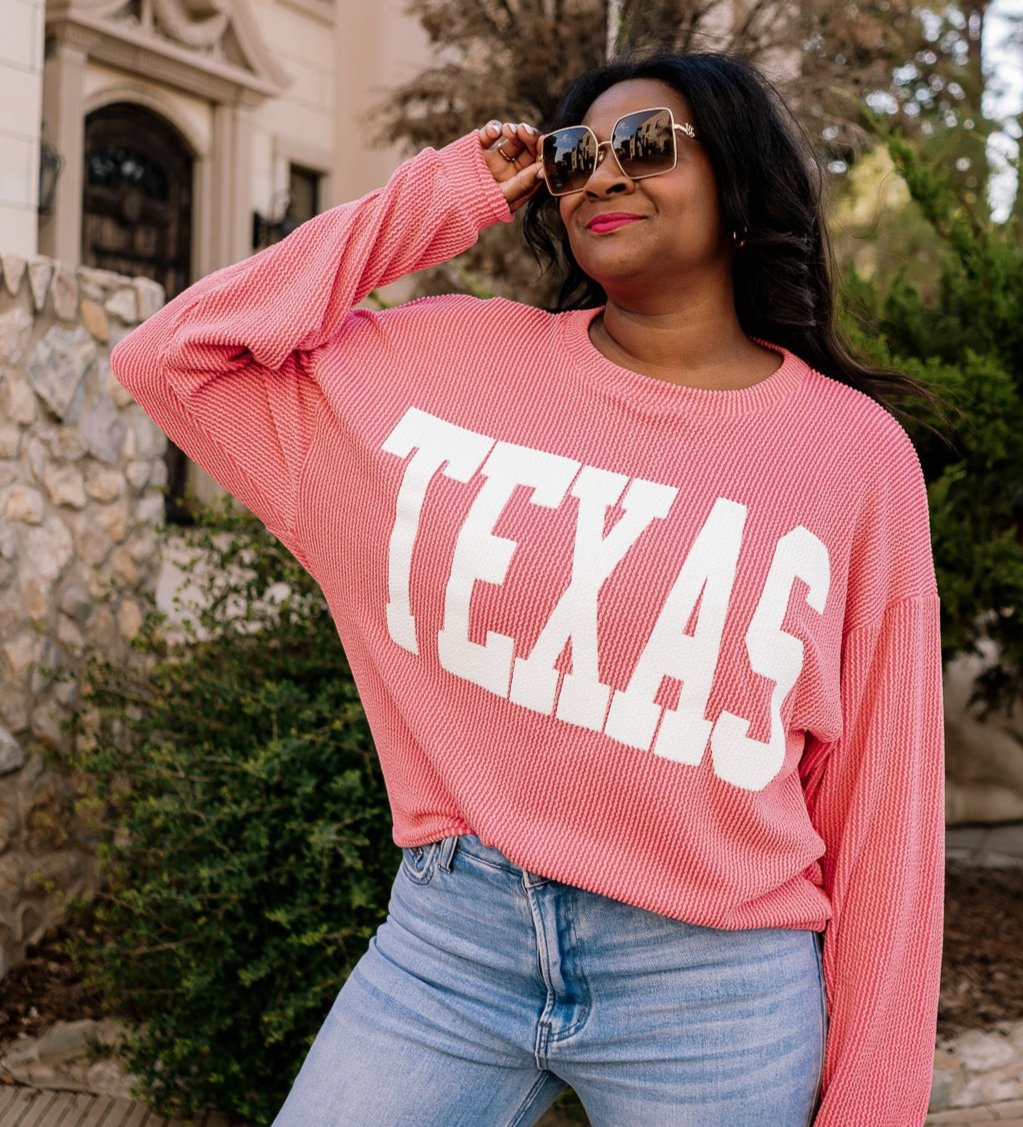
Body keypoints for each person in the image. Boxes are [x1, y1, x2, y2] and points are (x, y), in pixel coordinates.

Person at [111, 50, 944, 1127]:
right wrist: (443, 194)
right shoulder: (449, 364)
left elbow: (884, 810)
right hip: (450, 946)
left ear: (738, 180)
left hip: (714, 983)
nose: (602, 174)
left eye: (644, 144)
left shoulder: (850, 456)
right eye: (572, 155)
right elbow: (175, 357)